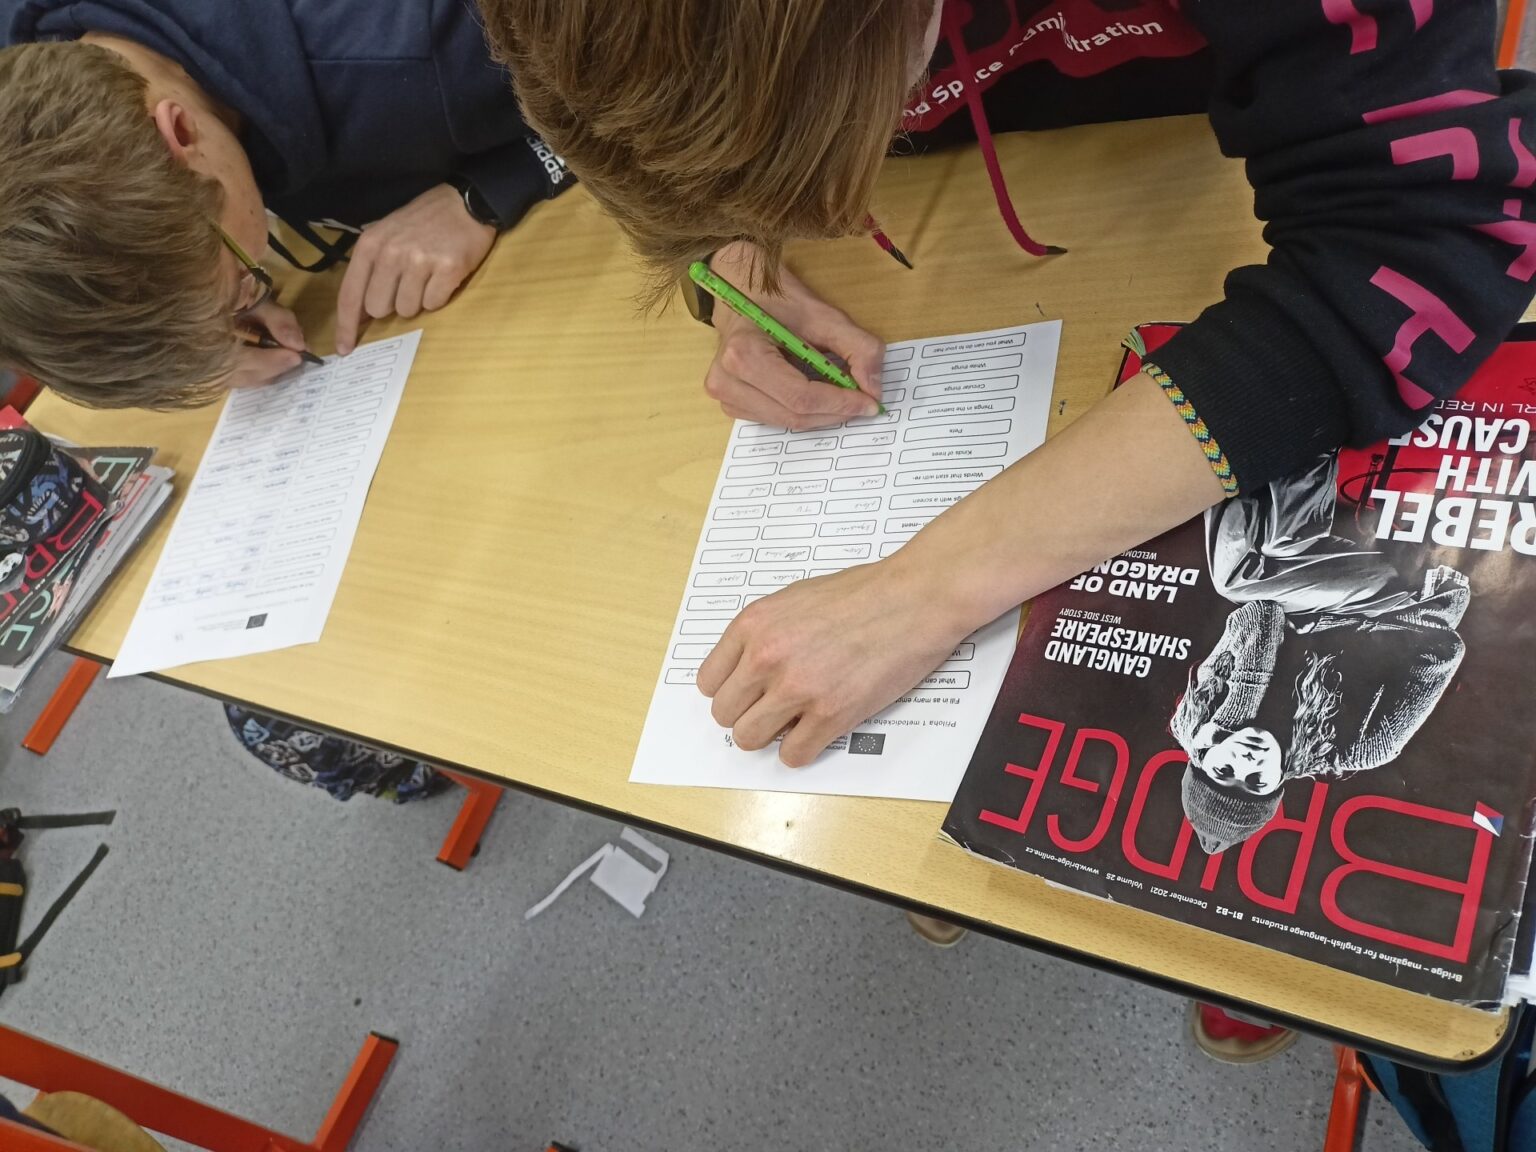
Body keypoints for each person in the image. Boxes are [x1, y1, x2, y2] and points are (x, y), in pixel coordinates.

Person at [480, 0, 1535, 1060]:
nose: (1239, 758)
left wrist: (920, 592)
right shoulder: (1248, 729)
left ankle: (1249, 963)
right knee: (956, 782)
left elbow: (1416, 241)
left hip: (1213, 170)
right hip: (999, 226)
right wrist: (729, 259)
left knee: (1236, 567)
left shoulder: (1302, 743)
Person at [0, 0, 574, 408]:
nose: (243, 300)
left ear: (183, 134)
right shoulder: (31, 87)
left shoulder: (420, 46)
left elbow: (631, 67)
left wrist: (486, 193)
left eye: (243, 282)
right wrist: (195, 328)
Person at [1172, 455, 1470, 854]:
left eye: (1223, 770)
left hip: (1313, 596)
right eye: (1256, 782)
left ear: (1201, 757)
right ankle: (1265, 448)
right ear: (1277, 784)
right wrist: (1366, 633)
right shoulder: (1360, 748)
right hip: (1395, 605)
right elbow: (1443, 651)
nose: (1245, 762)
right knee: (1237, 578)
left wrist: (1234, 713)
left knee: (1270, 549)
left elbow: (1258, 617)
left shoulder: (1201, 717)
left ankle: (1268, 445)